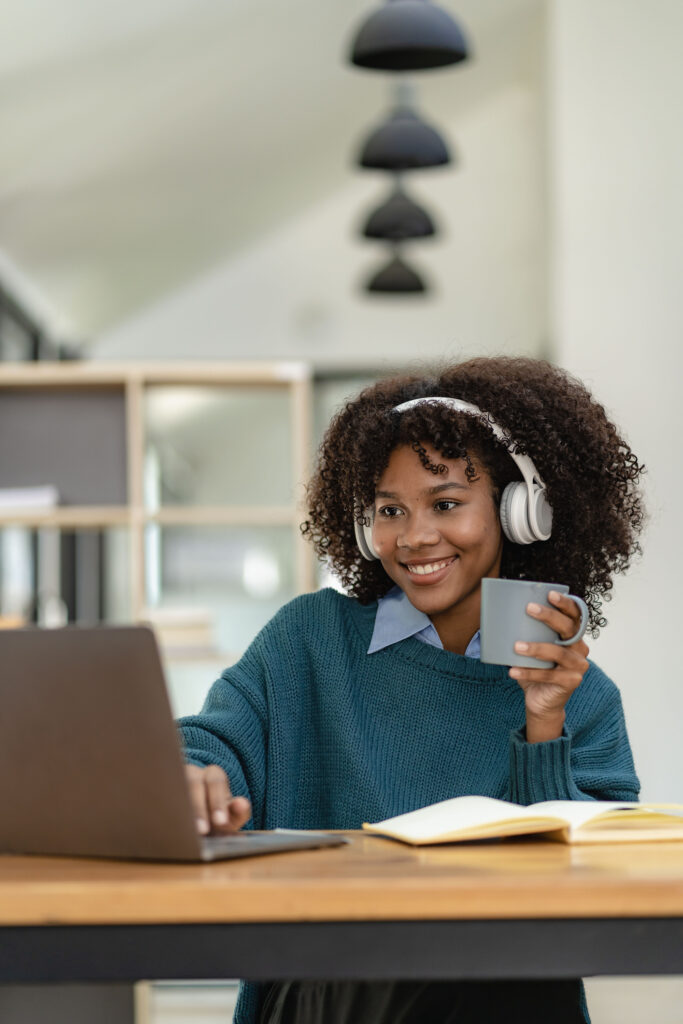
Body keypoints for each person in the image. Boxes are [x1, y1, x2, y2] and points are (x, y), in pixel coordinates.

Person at [179, 356, 644, 1024]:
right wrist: (190, 778)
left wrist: (544, 723)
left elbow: (586, 912)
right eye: (389, 509)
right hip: (327, 998)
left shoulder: (581, 697)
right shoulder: (309, 640)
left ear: (521, 513)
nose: (415, 536)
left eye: (446, 504)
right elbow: (208, 742)